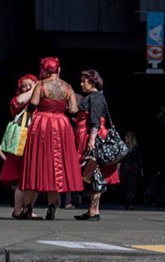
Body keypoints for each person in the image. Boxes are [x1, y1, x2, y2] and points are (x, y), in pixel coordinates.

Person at [20, 57, 83, 220]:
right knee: (57, 166)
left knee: (35, 165)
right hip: (61, 125)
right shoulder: (67, 87)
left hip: (42, 125)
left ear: (45, 69)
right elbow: (74, 110)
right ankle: (51, 206)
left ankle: (27, 207)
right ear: (58, 69)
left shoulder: (40, 85)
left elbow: (32, 106)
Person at [74, 69, 120, 221]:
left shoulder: (95, 97)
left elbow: (95, 120)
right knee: (92, 172)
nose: (81, 84)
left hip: (92, 136)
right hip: (91, 135)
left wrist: (92, 140)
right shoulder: (95, 97)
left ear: (92, 82)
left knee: (94, 171)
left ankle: (94, 210)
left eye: (84, 81)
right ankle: (92, 210)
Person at [0, 74, 39, 219]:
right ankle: (17, 210)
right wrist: (34, 88)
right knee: (23, 180)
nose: (27, 88)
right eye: (24, 86)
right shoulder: (17, 101)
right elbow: (20, 101)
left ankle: (29, 210)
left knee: (34, 181)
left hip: (36, 142)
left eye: (30, 84)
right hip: (21, 144)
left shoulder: (40, 103)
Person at [119, 131, 143, 210]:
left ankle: (128, 202)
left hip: (127, 168)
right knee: (131, 186)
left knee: (127, 186)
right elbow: (139, 159)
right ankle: (130, 203)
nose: (125, 138)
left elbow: (121, 159)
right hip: (133, 168)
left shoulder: (125, 147)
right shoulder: (135, 147)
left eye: (127, 137)